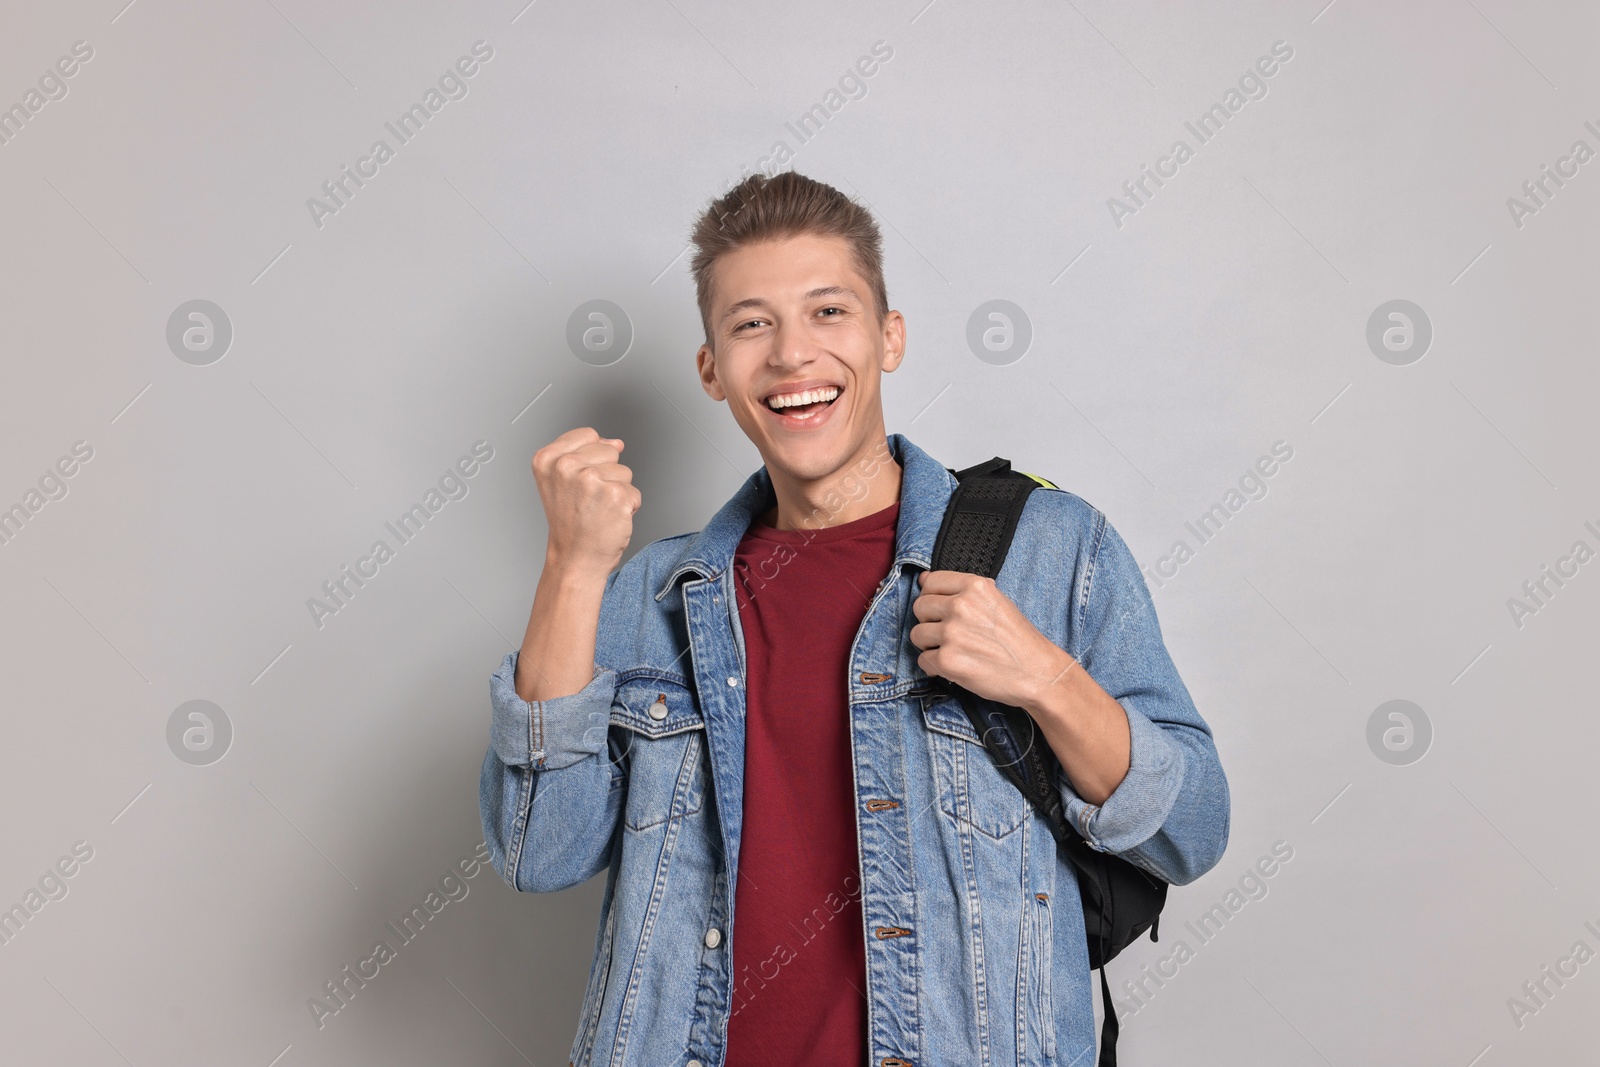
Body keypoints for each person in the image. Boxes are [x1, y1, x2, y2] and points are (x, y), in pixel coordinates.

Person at [479, 171, 1229, 1067]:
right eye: (752, 323)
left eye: (828, 311)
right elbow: (537, 850)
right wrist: (572, 566)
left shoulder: (1052, 549)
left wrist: (1046, 678)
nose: (793, 355)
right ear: (712, 369)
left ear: (890, 336)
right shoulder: (649, 593)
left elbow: (1193, 831)